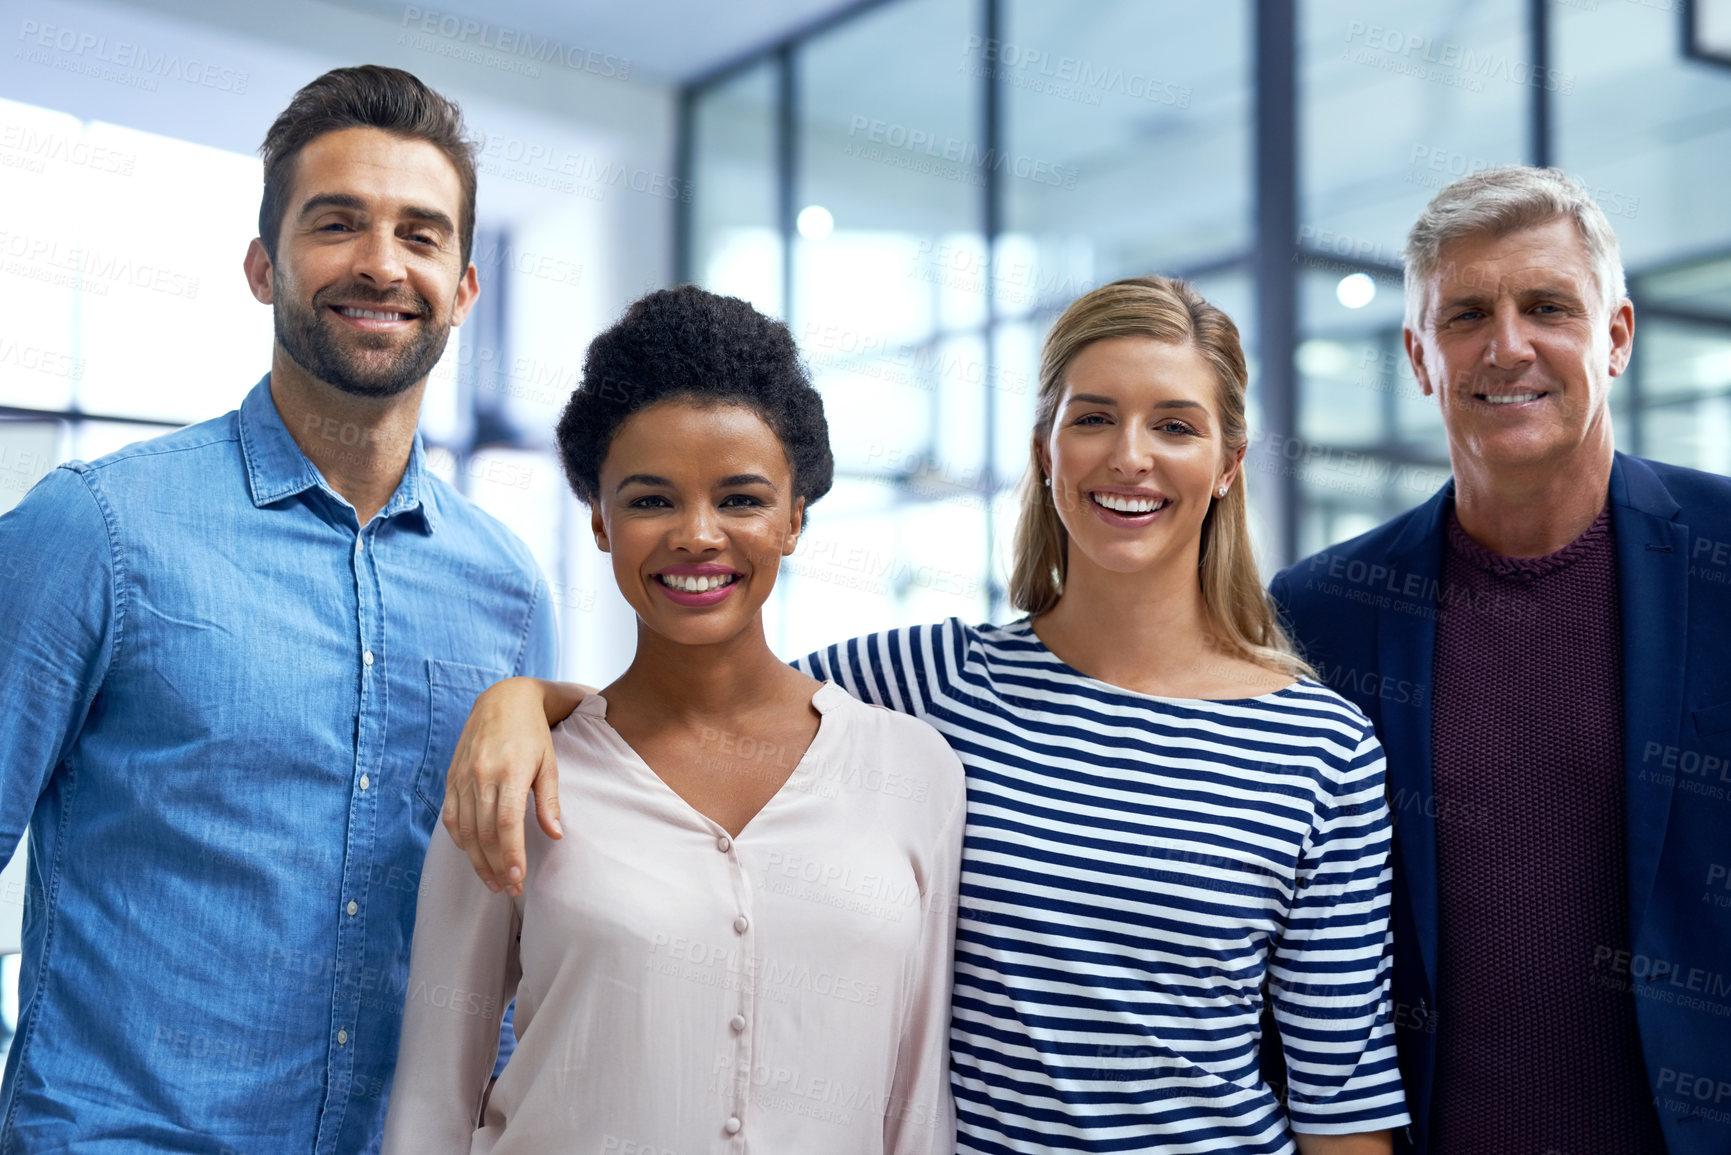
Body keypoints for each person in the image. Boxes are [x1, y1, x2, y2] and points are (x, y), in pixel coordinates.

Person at [445, 276, 1409, 1153]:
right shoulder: (927, 684)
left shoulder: (1317, 747)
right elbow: (697, 703)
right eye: (1094, 418)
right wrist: (523, 702)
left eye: (1175, 425)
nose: (1130, 457)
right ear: (1045, 450)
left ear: (1229, 460)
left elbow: (1345, 1105)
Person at [0, 66, 555, 1153]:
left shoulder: (503, 586)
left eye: (421, 235)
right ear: (265, 266)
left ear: (466, 286)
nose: (381, 265)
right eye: (337, 223)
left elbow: (507, 906)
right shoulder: (97, 529)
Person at [380, 285, 962, 1153]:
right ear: (600, 520)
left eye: (741, 499)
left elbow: (917, 1105)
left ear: (795, 516)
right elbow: (432, 1102)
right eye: (651, 500)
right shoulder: (519, 774)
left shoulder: (910, 771)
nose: (697, 535)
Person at [1269, 166, 1731, 1155]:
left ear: (1616, 338)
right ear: (1419, 356)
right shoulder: (1319, 616)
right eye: (1467, 314)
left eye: (1548, 307)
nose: (1507, 345)